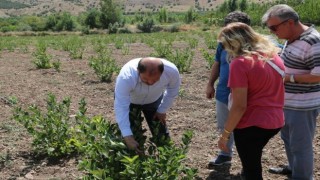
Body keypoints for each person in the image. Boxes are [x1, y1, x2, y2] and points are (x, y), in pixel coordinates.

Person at [216, 22, 285, 180]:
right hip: (275, 120)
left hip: (252, 124)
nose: (225, 48)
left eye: (225, 44)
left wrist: (225, 135)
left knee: (251, 170)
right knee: (253, 159)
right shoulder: (272, 56)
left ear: (233, 42)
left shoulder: (240, 63)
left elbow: (239, 106)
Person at [262, 4, 320, 179]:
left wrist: (289, 79)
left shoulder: (313, 41)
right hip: (287, 102)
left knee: (301, 146)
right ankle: (293, 168)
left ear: (289, 23)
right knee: (288, 140)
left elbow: (318, 75)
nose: (272, 32)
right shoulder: (293, 38)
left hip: (302, 105)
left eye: (274, 27)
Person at [206, 11, 251, 166]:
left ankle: (249, 163)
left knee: (247, 130)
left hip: (247, 95)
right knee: (224, 125)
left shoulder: (256, 46)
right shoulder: (222, 44)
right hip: (224, 92)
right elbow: (217, 63)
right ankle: (225, 154)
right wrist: (210, 83)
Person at [114, 57, 181, 154]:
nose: (150, 83)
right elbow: (121, 106)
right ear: (138, 71)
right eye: (145, 79)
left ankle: (167, 157)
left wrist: (162, 110)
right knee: (132, 135)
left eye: (155, 80)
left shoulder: (171, 71)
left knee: (160, 132)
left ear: (162, 73)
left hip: (154, 100)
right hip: (131, 102)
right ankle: (136, 159)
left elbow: (172, 91)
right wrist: (127, 135)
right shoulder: (126, 77)